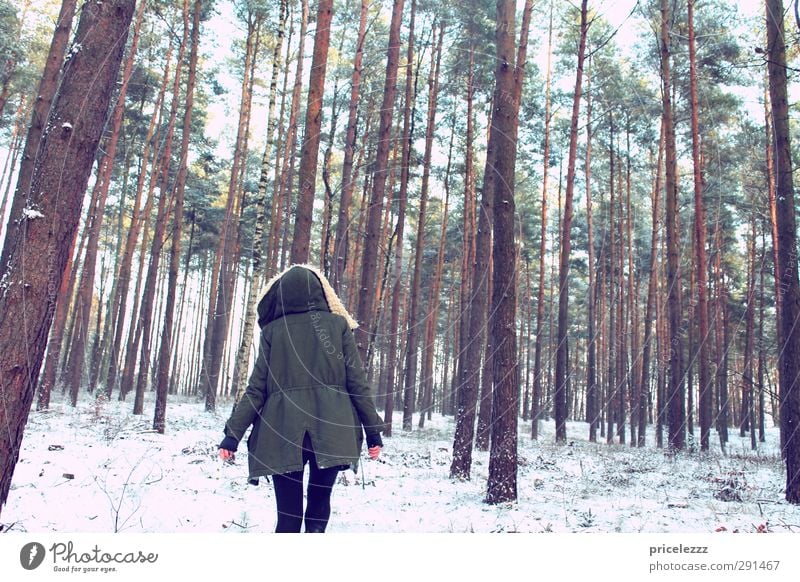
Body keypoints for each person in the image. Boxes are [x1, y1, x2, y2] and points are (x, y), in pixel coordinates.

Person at [218, 264, 384, 533]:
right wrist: (374, 432)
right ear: (319, 293)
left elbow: (256, 388)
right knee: (319, 506)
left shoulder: (273, 331)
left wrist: (232, 435)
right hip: (332, 430)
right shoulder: (337, 325)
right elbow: (357, 383)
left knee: (288, 516)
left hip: (282, 431)